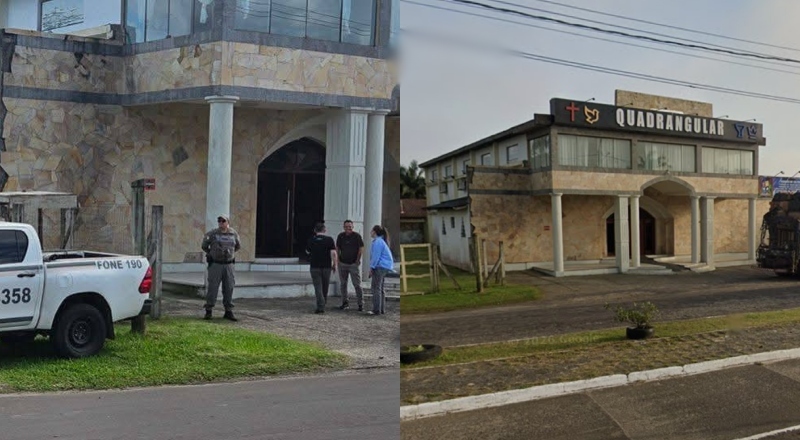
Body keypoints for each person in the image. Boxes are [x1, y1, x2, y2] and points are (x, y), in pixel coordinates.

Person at [201, 214, 241, 321]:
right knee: (213, 288)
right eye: (219, 221)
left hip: (229, 265)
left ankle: (228, 311)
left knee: (229, 287)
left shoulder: (233, 234)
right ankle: (209, 310)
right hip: (216, 264)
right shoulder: (213, 233)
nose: (221, 223)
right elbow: (204, 245)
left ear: (228, 222)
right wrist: (212, 253)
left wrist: (230, 254)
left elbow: (238, 246)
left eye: (223, 221)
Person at [306, 222, 337, 314]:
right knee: (325, 286)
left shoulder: (311, 240)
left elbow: (307, 251)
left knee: (318, 287)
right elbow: (333, 253)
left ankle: (320, 306)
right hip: (326, 266)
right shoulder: (329, 240)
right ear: (324, 230)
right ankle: (324, 302)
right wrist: (334, 264)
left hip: (315, 266)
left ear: (315, 230)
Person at [336, 219, 365, 312]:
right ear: (344, 227)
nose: (348, 228)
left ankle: (360, 303)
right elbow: (337, 248)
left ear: (353, 227)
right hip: (342, 263)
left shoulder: (357, 236)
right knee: (343, 284)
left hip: (353, 264)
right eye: (346, 227)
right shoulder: (340, 236)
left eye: (350, 226)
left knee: (357, 284)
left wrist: (357, 260)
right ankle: (345, 302)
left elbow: (361, 248)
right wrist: (338, 259)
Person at [368, 225, 394, 316]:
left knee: (375, 288)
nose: (370, 232)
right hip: (385, 266)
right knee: (380, 288)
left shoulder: (378, 242)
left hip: (380, 266)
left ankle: (376, 310)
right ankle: (381, 309)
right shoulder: (381, 241)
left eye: (371, 230)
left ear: (374, 232)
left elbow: (376, 256)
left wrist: (371, 268)